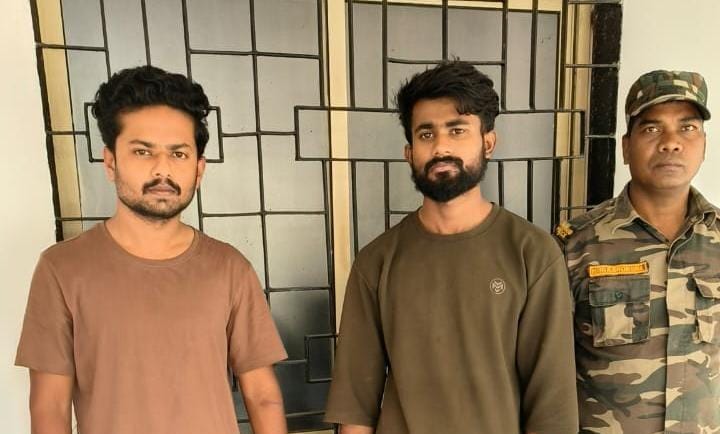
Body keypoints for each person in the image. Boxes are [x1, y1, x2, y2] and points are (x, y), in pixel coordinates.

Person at [15, 65, 288, 434]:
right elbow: (50, 406)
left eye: (178, 154)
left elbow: (263, 395)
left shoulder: (230, 268)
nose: (163, 170)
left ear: (199, 169)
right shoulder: (62, 269)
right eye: (143, 152)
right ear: (111, 162)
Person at [324, 60, 578, 434]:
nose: (441, 146)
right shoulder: (377, 262)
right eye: (426, 134)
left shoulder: (532, 254)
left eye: (457, 130)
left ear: (488, 142)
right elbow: (356, 408)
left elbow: (552, 408)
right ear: (409, 152)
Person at [555, 69, 720, 433]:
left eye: (687, 128)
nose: (671, 143)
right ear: (626, 147)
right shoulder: (575, 246)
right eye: (652, 129)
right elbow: (546, 371)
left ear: (704, 145)